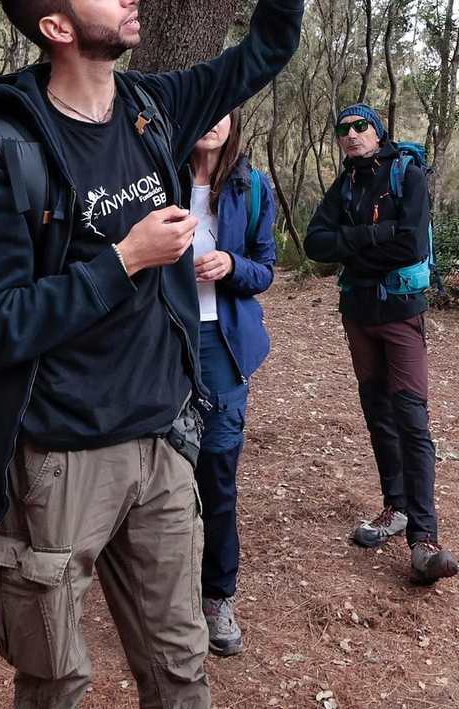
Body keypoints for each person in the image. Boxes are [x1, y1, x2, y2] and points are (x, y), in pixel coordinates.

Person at [0, 0, 325, 709]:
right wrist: (124, 261)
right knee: (57, 682)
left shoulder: (154, 108)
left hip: (161, 441)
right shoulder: (6, 158)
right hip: (59, 459)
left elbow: (264, 48)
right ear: (56, 26)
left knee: (179, 671)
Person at [303, 103, 459, 584]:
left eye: (360, 126)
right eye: (343, 129)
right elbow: (314, 243)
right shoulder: (345, 183)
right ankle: (395, 508)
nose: (351, 135)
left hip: (400, 312)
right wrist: (375, 234)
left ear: (378, 131)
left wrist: (352, 247)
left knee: (411, 417)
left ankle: (425, 538)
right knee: (376, 413)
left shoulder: (407, 174)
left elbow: (410, 246)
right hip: (358, 314)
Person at [185, 108, 278, 657]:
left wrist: (229, 265)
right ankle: (162, 590)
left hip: (221, 346)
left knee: (217, 477)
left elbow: (264, 268)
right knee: (154, 476)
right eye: (206, 109)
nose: (214, 122)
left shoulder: (251, 185)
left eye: (225, 113)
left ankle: (218, 596)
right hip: (161, 347)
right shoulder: (157, 174)